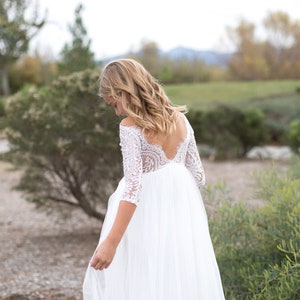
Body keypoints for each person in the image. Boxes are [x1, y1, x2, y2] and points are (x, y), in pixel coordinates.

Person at [82, 58, 225, 299]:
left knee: (142, 278)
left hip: (143, 218)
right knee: (175, 278)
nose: (116, 111)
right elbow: (198, 176)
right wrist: (173, 183)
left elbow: (133, 189)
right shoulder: (182, 120)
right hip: (178, 217)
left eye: (114, 104)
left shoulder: (129, 127)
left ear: (122, 92)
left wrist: (111, 243)